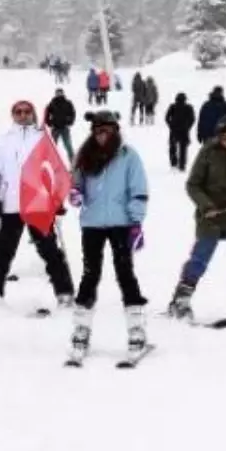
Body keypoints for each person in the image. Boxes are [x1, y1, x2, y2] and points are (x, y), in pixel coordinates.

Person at [66, 111, 149, 360]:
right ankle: (81, 329)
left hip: (120, 223)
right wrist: (75, 194)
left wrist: (136, 222)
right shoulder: (84, 155)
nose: (102, 135)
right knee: (90, 274)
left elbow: (138, 188)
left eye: (107, 130)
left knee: (125, 274)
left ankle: (136, 329)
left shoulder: (128, 156)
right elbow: (75, 184)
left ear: (115, 130)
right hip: (92, 224)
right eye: (98, 131)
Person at [166, 115, 226, 324]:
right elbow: (193, 184)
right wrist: (206, 205)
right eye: (225, 137)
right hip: (211, 214)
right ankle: (181, 300)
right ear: (219, 136)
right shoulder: (208, 152)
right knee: (201, 255)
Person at [0, 100, 76, 307]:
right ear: (13, 115)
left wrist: (56, 199)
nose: (23, 115)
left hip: (38, 204)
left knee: (51, 251)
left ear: (32, 114)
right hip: (11, 205)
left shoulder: (44, 139)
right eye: (19, 112)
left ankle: (65, 293)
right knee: (2, 253)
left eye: (27, 111)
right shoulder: (2, 142)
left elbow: (55, 170)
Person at [44, 87, 76, 162]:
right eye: (58, 93)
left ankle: (73, 163)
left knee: (68, 146)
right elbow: (47, 114)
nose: (59, 94)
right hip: (55, 128)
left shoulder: (68, 103)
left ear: (63, 93)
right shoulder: (52, 103)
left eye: (60, 93)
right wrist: (49, 122)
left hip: (64, 128)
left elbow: (73, 113)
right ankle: (50, 162)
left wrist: (70, 121)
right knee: (52, 147)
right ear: (55, 94)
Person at [165, 92, 196, 171]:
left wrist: (171, 125)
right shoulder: (188, 107)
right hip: (184, 131)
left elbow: (167, 117)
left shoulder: (173, 106)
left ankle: (174, 163)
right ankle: (182, 164)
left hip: (174, 130)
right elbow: (192, 119)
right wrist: (188, 126)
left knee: (173, 147)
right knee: (183, 149)